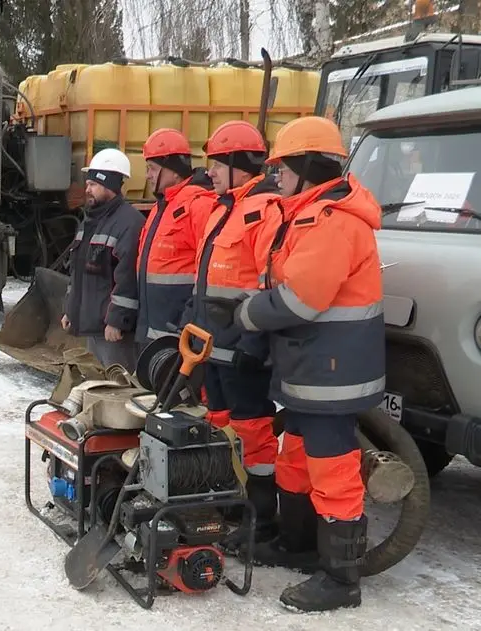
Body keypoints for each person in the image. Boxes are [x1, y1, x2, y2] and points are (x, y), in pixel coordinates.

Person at [226, 116, 385, 612]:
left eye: (283, 169)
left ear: (306, 168)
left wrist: (246, 313)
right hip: (309, 367)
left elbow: (300, 299)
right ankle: (296, 545)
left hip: (331, 372)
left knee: (333, 470)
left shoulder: (333, 221)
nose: (276, 179)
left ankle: (341, 580)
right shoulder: (308, 214)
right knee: (295, 456)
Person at [183, 120, 283, 542]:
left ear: (238, 163)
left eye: (217, 163)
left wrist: (256, 343)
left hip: (243, 348)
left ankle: (259, 516)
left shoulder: (266, 209)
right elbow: (206, 277)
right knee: (220, 425)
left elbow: (270, 284)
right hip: (213, 347)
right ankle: (227, 501)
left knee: (254, 432)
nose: (211, 172)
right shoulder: (225, 208)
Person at [62, 148, 146, 372]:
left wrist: (117, 320)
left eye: (93, 185)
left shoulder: (129, 223)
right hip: (92, 326)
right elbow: (77, 271)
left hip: (111, 331)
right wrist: (70, 309)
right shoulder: (90, 221)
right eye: (88, 184)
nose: (87, 190)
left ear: (110, 186)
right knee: (99, 386)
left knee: (120, 386)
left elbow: (127, 277)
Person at [135, 128, 215, 345]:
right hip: (154, 330)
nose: (147, 176)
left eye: (152, 168)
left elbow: (209, 272)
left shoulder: (198, 206)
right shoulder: (161, 207)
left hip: (179, 334)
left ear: (174, 171)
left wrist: (187, 323)